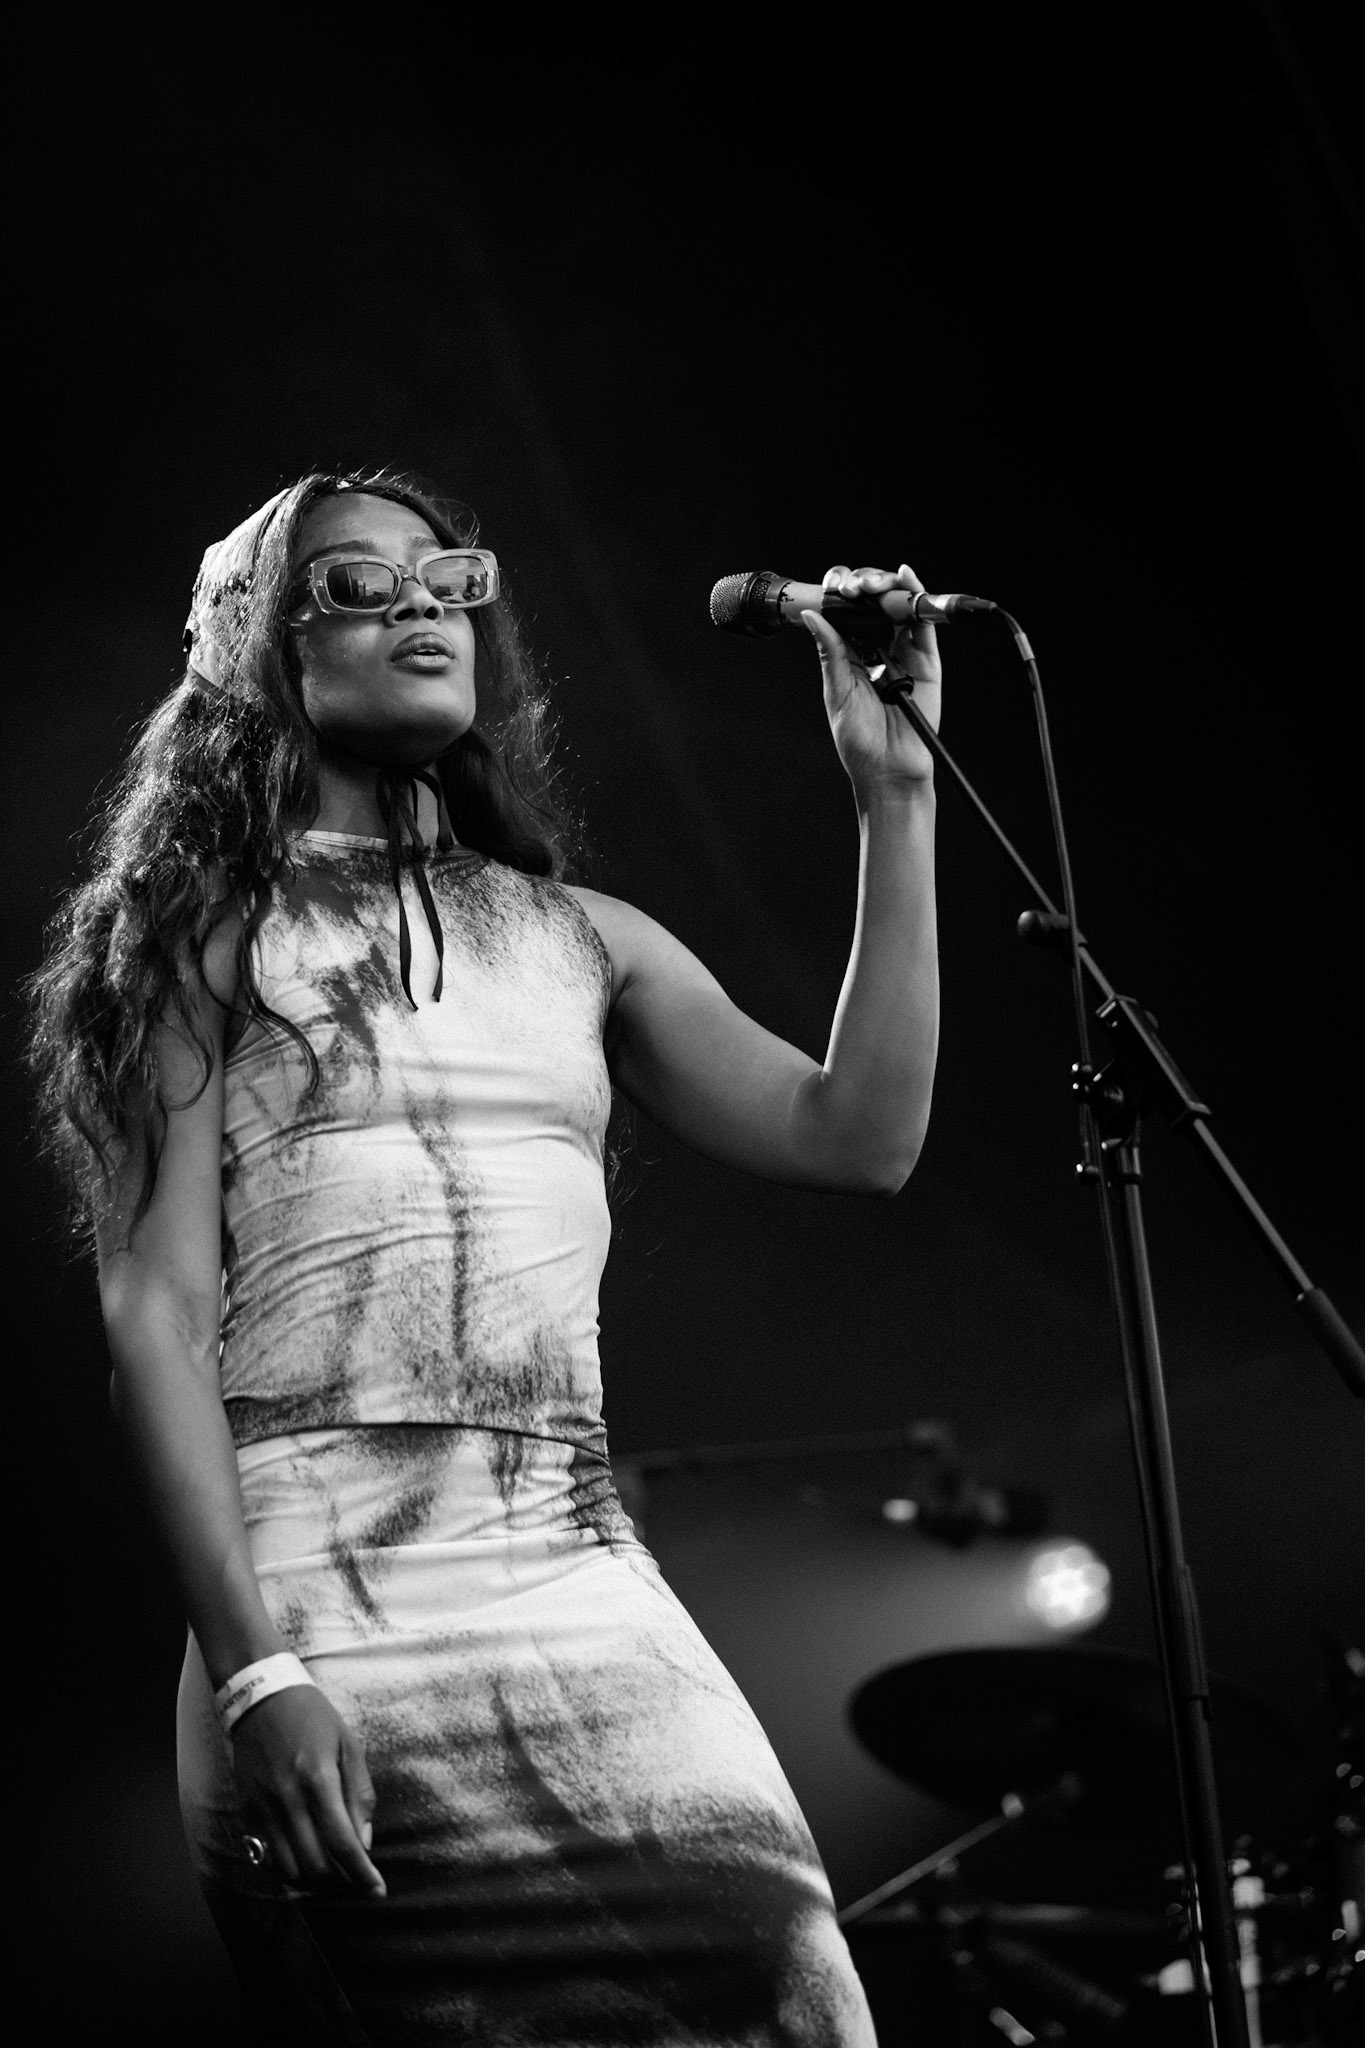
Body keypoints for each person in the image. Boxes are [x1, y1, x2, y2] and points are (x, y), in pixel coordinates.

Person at [29, 468, 940, 2045]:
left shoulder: (588, 937)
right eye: (355, 584)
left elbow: (856, 1136)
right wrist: (256, 1676)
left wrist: (895, 797)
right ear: (256, 651)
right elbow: (157, 1320)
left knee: (792, 1995)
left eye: (444, 576)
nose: (422, 607)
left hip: (573, 1560)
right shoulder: (194, 936)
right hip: (313, 1584)